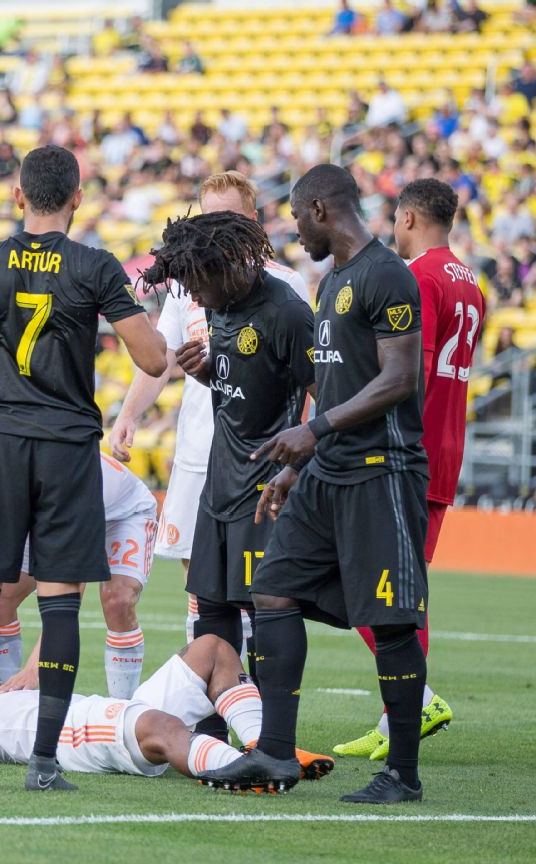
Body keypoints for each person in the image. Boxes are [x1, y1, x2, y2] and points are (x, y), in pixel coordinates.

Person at [0, 144, 168, 791]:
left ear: (17, 198)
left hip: (1, 441)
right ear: (77, 199)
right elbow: (153, 359)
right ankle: (44, 765)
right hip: (69, 447)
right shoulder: (95, 266)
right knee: (61, 603)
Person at [198, 164, 430, 804]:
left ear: (322, 209)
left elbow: (399, 379)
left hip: (381, 472)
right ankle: (274, 751)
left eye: (298, 219)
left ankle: (403, 774)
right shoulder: (332, 286)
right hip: (324, 473)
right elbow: (332, 383)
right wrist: (297, 466)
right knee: (271, 591)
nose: (295, 233)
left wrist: (314, 431)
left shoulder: (389, 275)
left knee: (390, 624)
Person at [110, 171, 309, 656]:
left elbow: (306, 374)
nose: (217, 230)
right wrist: (129, 414)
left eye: (229, 218)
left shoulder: (287, 285)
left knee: (259, 588)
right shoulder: (186, 285)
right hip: (199, 452)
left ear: (254, 221)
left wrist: (299, 450)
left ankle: (256, 706)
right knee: (199, 586)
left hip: (261, 454)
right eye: (209, 218)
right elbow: (164, 359)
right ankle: (215, 699)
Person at [333, 179, 480, 759]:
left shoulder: (416, 277)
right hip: (447, 447)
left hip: (408, 451)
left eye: (395, 217)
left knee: (379, 587)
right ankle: (400, 710)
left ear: (410, 217)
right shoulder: (471, 283)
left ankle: (414, 703)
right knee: (399, 583)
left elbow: (409, 373)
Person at [145, 212, 315, 708]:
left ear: (225, 267)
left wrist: (293, 470)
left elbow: (323, 401)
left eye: (198, 284)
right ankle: (221, 720)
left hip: (265, 487)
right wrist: (204, 374)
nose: (194, 299)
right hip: (218, 483)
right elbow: (240, 387)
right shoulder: (220, 307)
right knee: (211, 610)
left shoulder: (287, 311)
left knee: (267, 608)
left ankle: (272, 731)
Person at [0, 636, 334, 785]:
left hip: (102, 710)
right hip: (74, 736)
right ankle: (240, 771)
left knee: (212, 650)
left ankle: (263, 748)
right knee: (160, 728)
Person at [0, 453, 157, 700]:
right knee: (1, 598)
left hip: (124, 512)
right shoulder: (4, 460)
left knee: (117, 601)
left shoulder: (68, 477)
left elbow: (70, 587)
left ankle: (122, 708)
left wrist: (35, 667)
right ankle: (3, 700)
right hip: (59, 507)